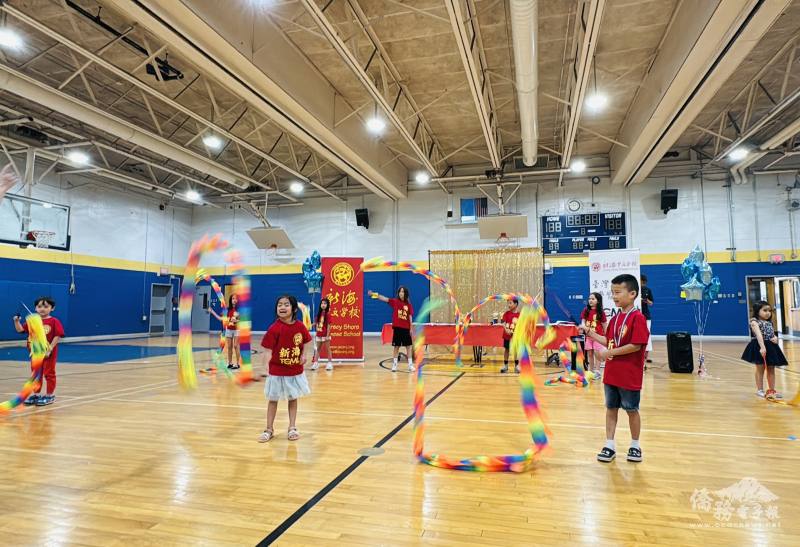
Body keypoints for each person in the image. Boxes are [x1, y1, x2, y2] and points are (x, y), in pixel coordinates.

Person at [583, 274, 649, 463]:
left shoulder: (638, 318)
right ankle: (609, 444)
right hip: (611, 374)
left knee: (631, 410)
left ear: (633, 293)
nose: (614, 296)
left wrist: (608, 353)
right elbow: (608, 341)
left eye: (618, 292)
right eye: (612, 292)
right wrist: (590, 333)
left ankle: (635, 445)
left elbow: (635, 345)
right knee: (611, 409)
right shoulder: (614, 318)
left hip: (629, 375)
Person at [258, 295, 312, 442]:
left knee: (292, 398)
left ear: (294, 309)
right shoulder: (274, 328)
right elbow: (267, 350)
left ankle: (292, 427)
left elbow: (307, 340)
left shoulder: (300, 326)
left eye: (286, 304)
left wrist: (304, 355)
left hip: (294, 371)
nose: (282, 307)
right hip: (276, 371)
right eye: (279, 305)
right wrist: (264, 368)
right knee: (273, 399)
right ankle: (269, 429)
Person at [13, 297, 65, 406]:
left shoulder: (54, 321)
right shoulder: (33, 321)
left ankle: (49, 395)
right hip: (36, 353)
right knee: (36, 375)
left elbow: (57, 335)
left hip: (48, 353)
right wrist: (16, 321)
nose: (42, 309)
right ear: (35, 308)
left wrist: (49, 349)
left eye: (46, 306)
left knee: (49, 373)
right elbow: (20, 330)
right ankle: (36, 395)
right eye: (39, 306)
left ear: (52, 308)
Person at [741, 300, 787, 399]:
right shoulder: (754, 321)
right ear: (757, 311)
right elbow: (758, 334)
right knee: (760, 369)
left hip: (771, 347)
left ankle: (771, 390)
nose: (768, 313)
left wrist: (775, 338)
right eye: (765, 310)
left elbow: (772, 334)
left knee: (771, 369)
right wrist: (762, 347)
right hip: (759, 346)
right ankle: (760, 390)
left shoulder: (769, 322)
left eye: (769, 310)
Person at [369, 287, 414, 372]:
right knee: (396, 347)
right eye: (400, 292)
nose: (401, 293)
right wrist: (373, 295)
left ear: (405, 294)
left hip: (406, 329)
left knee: (408, 347)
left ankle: (410, 365)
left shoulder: (409, 305)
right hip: (397, 328)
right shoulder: (395, 302)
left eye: (403, 292)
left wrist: (411, 328)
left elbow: (410, 317)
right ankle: (395, 365)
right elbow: (383, 298)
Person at [208, 294, 241, 369]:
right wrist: (212, 311)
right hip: (229, 330)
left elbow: (240, 320)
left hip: (236, 330)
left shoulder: (239, 310)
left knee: (236, 346)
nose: (234, 300)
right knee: (229, 347)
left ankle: (238, 363)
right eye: (233, 298)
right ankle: (230, 363)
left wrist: (236, 321)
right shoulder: (227, 310)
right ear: (231, 300)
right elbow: (220, 319)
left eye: (236, 299)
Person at [581, 292, 607, 375]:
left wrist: (606, 336)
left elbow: (604, 325)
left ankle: (597, 371)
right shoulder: (586, 310)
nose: (590, 300)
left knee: (597, 353)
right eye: (589, 299)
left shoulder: (601, 312)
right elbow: (583, 321)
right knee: (590, 354)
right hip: (589, 337)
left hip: (598, 337)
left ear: (598, 301)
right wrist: (582, 327)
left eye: (593, 299)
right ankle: (591, 370)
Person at [311, 298, 333, 371]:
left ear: (327, 305)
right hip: (319, 334)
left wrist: (327, 335)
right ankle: (315, 363)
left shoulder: (328, 314)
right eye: (322, 303)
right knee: (318, 349)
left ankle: (329, 363)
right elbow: (316, 323)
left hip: (325, 335)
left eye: (325, 304)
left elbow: (329, 325)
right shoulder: (319, 314)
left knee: (328, 349)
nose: (323, 305)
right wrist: (310, 325)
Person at [501, 298, 521, 373]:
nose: (508, 305)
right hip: (507, 336)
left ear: (515, 304)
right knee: (507, 350)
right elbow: (503, 322)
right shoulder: (506, 313)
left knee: (516, 350)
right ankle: (505, 366)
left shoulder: (519, 314)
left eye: (510, 303)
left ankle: (516, 366)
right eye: (508, 303)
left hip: (515, 337)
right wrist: (506, 330)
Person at [640, 274, 654, 364]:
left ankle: (646, 356)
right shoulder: (634, 289)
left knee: (647, 336)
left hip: (645, 316)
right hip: (636, 315)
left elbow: (651, 303)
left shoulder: (647, 290)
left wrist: (645, 300)